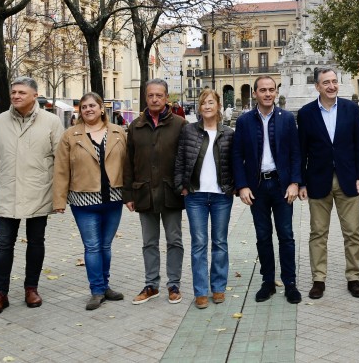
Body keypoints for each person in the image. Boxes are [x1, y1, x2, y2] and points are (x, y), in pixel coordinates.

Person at [0, 77, 64, 316]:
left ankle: (31, 288)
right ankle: (0, 294)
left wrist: (59, 195)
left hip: (39, 190)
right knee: (3, 245)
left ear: (35, 95)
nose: (16, 96)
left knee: (36, 243)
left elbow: (61, 160)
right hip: (7, 191)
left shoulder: (51, 121)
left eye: (21, 93)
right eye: (13, 92)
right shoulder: (0, 121)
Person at [52, 92, 128, 310]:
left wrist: (131, 195)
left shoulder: (118, 132)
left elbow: (128, 165)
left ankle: (105, 286)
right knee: (92, 246)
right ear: (80, 110)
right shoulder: (70, 135)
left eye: (92, 105)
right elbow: (61, 169)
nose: (88, 109)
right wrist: (59, 199)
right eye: (84, 107)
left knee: (105, 245)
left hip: (113, 199)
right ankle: (96, 290)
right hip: (84, 201)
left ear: (101, 108)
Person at [297, 67, 359, 299]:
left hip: (348, 179)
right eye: (326, 82)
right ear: (317, 86)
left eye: (334, 82)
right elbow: (302, 151)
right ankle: (319, 279)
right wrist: (301, 182)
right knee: (318, 233)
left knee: (353, 232)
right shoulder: (306, 113)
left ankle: (353, 278)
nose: (331, 86)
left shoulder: (350, 109)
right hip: (317, 181)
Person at [233, 76, 303, 304]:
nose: (267, 94)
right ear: (255, 93)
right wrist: (242, 186)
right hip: (257, 187)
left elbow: (296, 153)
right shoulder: (244, 121)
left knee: (286, 236)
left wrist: (295, 182)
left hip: (282, 185)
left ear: (276, 92)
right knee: (263, 236)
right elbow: (237, 156)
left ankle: (290, 283)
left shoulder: (286, 119)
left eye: (271, 90)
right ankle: (268, 282)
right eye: (263, 90)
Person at [123, 78, 188, 304]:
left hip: (171, 192)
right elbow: (128, 162)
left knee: (174, 240)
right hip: (144, 193)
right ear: (145, 97)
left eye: (159, 95)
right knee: (149, 242)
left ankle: (174, 284)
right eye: (150, 95)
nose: (154, 99)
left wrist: (185, 186)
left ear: (166, 97)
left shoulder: (180, 124)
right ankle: (151, 284)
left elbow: (186, 159)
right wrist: (128, 195)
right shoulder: (135, 126)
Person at [174, 88, 235, 310]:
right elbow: (180, 159)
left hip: (221, 196)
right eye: (203, 103)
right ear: (199, 108)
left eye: (211, 102)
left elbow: (234, 162)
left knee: (220, 242)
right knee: (199, 243)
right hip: (195, 196)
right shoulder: (189, 131)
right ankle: (200, 291)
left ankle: (218, 288)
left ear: (218, 106)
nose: (207, 106)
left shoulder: (228, 133)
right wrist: (181, 186)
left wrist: (234, 187)